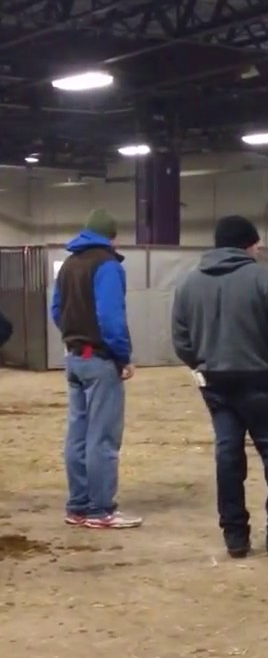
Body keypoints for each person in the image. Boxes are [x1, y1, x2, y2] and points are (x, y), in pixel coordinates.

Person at [171, 215, 268, 559]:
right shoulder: (265, 280)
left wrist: (201, 366)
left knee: (228, 454)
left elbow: (181, 339)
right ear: (248, 244)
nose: (259, 249)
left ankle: (235, 536)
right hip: (262, 382)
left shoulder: (188, 284)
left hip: (215, 384)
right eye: (257, 244)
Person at [50, 209, 141, 529]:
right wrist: (123, 356)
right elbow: (111, 317)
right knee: (102, 438)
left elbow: (56, 310)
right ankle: (100, 510)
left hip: (74, 357)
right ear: (112, 237)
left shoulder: (69, 265)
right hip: (100, 360)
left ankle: (77, 506)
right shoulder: (107, 265)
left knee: (77, 435)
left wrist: (74, 336)